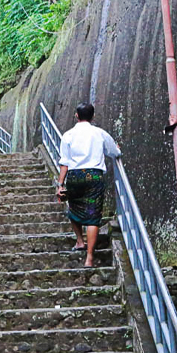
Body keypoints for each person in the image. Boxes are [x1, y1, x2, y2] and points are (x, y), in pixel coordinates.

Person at [56, 103, 121, 267]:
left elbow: (64, 163)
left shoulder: (68, 135)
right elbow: (114, 152)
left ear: (76, 116)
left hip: (75, 176)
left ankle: (79, 241)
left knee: (74, 208)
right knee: (93, 217)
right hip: (94, 177)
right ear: (93, 117)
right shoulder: (99, 133)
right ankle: (90, 258)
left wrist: (60, 185)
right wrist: (117, 149)